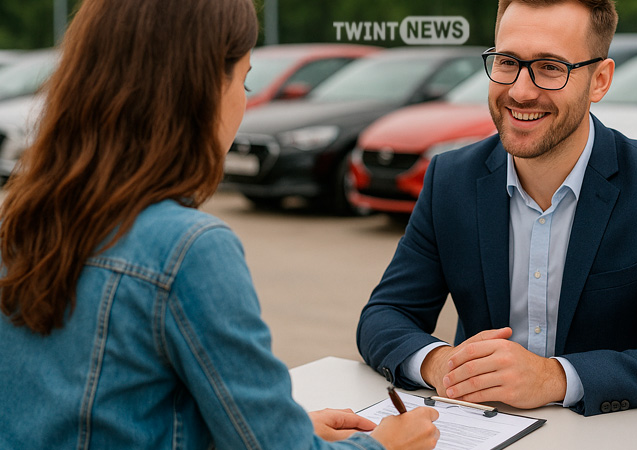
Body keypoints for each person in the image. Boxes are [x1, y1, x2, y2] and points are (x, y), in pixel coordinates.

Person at [0, 0, 439, 448]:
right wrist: (385, 444)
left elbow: (109, 412)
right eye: (243, 79)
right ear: (202, 89)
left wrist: (288, 425)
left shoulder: (18, 219)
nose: (244, 101)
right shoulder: (186, 247)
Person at [357, 0, 637, 417]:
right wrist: (440, 364)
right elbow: (384, 315)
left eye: (550, 67)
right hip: (482, 431)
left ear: (599, 80)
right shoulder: (450, 180)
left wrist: (555, 377)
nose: (519, 90)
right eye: (507, 62)